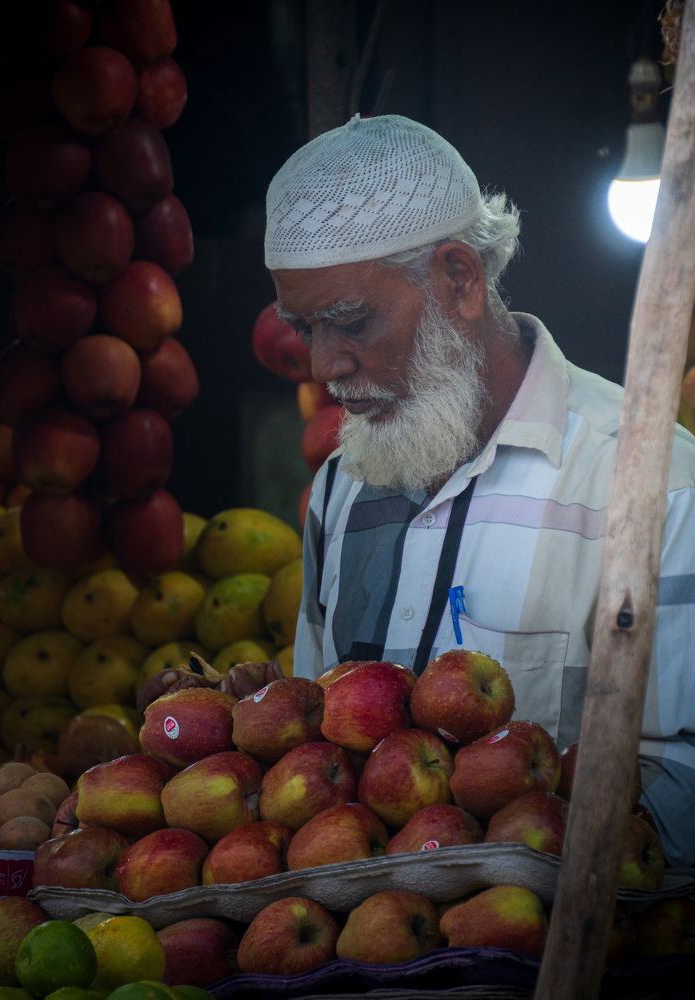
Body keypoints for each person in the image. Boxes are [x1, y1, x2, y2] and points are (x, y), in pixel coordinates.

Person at [263, 113, 695, 868]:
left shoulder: (654, 487)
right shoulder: (342, 489)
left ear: (460, 280)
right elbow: (311, 743)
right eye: (304, 329)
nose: (324, 365)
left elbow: (683, 787)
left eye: (350, 323)